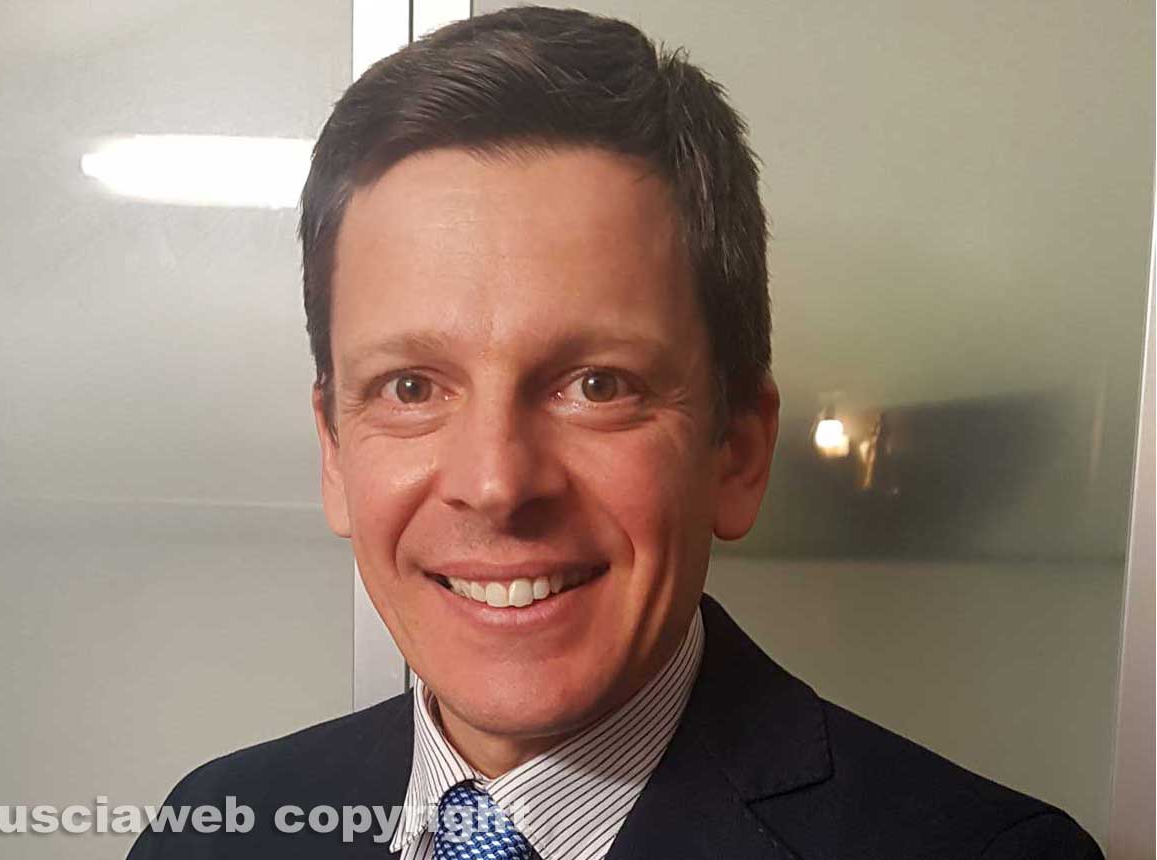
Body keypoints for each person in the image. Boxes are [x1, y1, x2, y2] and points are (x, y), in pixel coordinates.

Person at [127, 6, 1102, 859]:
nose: (495, 483)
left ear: (739, 449)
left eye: (597, 385)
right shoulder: (217, 826)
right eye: (411, 386)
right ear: (335, 453)